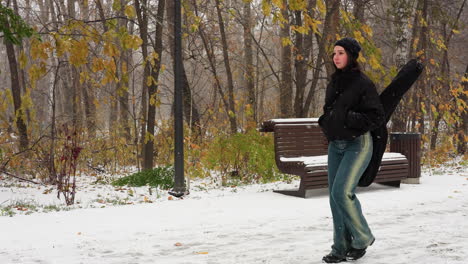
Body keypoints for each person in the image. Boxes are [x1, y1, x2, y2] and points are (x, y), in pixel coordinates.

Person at [318, 37, 385, 263]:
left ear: (351, 56)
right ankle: (340, 248)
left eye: (341, 53)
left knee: (341, 193)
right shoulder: (335, 82)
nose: (336, 57)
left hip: (358, 144)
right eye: (334, 53)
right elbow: (329, 110)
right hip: (336, 145)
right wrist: (326, 122)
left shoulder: (363, 84)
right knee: (334, 198)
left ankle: (363, 238)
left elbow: (376, 117)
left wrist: (346, 118)